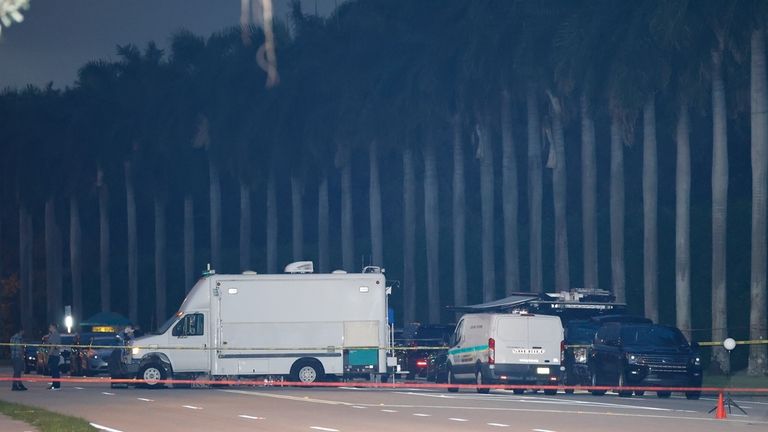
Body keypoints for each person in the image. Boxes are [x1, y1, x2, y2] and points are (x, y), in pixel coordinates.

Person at [46, 323, 61, 390]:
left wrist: (49, 354)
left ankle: (56, 385)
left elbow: (53, 345)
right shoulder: (52, 335)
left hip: (54, 355)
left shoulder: (55, 335)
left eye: (50, 327)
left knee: (55, 371)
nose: (49, 328)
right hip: (53, 355)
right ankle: (54, 384)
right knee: (53, 370)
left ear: (53, 327)